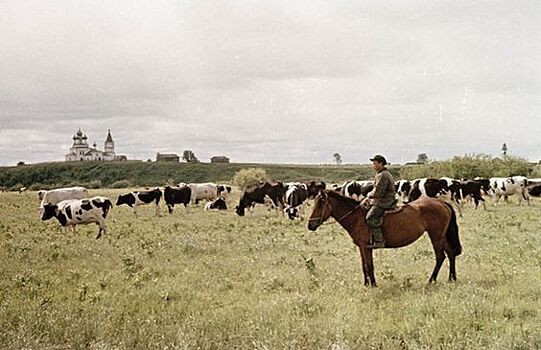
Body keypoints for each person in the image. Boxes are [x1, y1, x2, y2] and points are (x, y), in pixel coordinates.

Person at [362, 155, 396, 249]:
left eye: (374, 163)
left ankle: (379, 241)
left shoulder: (383, 175)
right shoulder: (381, 174)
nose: (373, 166)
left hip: (385, 201)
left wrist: (368, 196)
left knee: (370, 218)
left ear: (381, 163)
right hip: (381, 199)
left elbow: (378, 192)